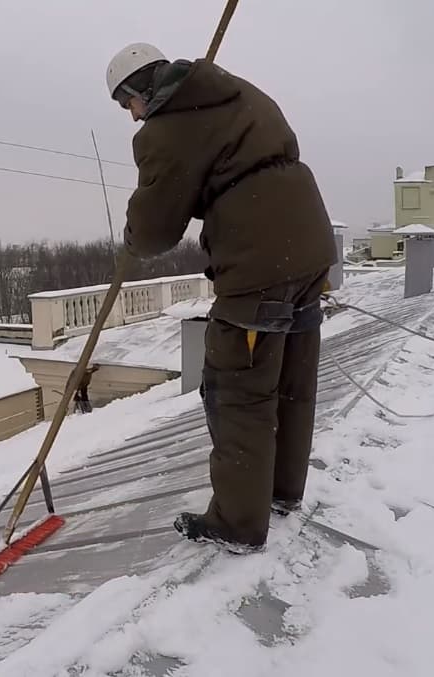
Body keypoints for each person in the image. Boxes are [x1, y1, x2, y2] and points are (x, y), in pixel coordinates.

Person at [106, 43, 337, 554]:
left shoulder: (164, 131)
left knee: (236, 389)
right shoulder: (236, 91)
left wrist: (131, 234)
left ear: (141, 90)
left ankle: (237, 522)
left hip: (259, 262)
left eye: (129, 105)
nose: (133, 116)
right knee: (291, 380)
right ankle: (280, 493)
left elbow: (155, 231)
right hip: (309, 250)